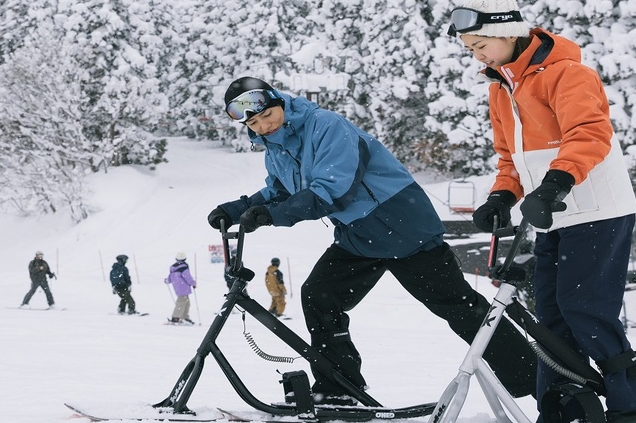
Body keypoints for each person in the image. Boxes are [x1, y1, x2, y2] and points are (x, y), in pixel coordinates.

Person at [208, 76, 537, 406]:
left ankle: (542, 383)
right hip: (359, 236)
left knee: (459, 307)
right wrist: (235, 210)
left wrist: (269, 215)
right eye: (253, 122)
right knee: (320, 296)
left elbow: (332, 190)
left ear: (279, 102)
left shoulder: (325, 125)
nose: (264, 126)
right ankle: (339, 387)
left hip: (402, 227)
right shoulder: (276, 151)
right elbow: (278, 191)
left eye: (267, 116)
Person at [450, 0, 636, 423]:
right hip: (549, 212)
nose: (477, 56)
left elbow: (589, 134)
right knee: (550, 313)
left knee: (584, 307)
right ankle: (564, 408)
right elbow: (510, 156)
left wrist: (556, 183)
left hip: (595, 208)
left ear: (509, 32)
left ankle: (635, 408)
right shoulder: (500, 88)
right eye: (470, 49)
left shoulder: (568, 74)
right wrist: (502, 196)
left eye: (481, 45)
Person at [164, 252, 196, 324]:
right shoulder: (183, 267)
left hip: (178, 288)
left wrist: (167, 280)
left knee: (186, 302)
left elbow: (170, 277)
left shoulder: (173, 268)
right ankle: (176, 317)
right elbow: (187, 277)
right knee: (181, 302)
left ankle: (184, 317)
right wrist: (193, 283)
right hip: (183, 287)